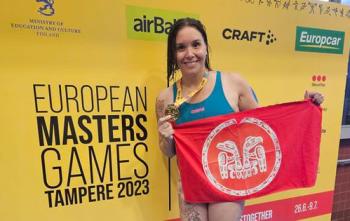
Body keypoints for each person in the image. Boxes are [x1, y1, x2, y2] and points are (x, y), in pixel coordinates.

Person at [155, 18, 324, 221]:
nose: (189, 53)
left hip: (229, 179)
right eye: (181, 47)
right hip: (192, 185)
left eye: (196, 44)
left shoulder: (232, 84)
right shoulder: (166, 98)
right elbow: (169, 151)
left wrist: (304, 109)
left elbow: (264, 127)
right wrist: (166, 138)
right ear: (174, 54)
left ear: (206, 48)